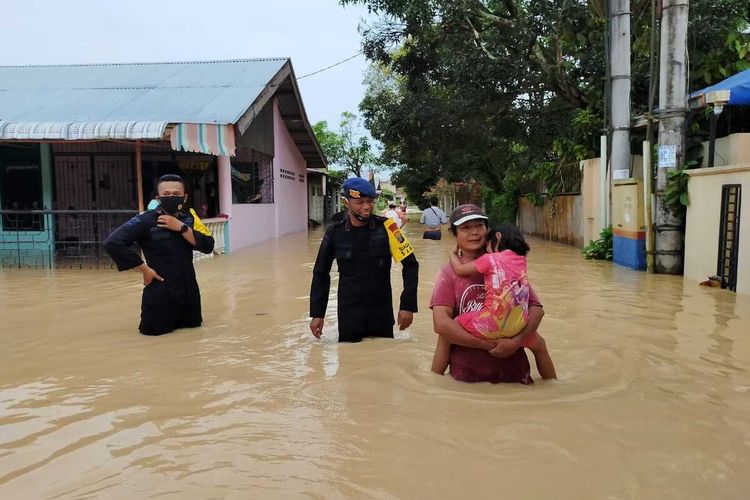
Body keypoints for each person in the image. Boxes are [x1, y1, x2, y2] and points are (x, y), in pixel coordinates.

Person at [429, 204, 546, 383]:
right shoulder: (448, 273)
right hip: (466, 379)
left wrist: (515, 342)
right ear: (454, 234)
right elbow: (442, 325)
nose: (474, 232)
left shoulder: (507, 264)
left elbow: (536, 310)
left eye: (479, 226)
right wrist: (489, 345)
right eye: (466, 228)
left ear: (488, 230)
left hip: (515, 376)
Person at [309, 177, 419, 342]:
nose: (366, 207)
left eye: (370, 201)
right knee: (350, 363)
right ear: (346, 202)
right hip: (349, 315)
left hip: (381, 313)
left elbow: (411, 265)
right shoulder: (334, 232)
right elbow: (321, 273)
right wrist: (317, 314)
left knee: (383, 359)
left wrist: (407, 305)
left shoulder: (389, 227)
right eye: (360, 202)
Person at [104, 174, 215, 336]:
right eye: (167, 194)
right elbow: (113, 243)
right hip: (160, 294)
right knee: (154, 342)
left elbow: (208, 246)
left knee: (193, 340)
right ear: (158, 198)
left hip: (189, 296)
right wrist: (144, 269)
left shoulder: (189, 219)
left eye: (176, 195)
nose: (172, 198)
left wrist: (182, 228)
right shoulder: (145, 220)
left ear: (184, 198)